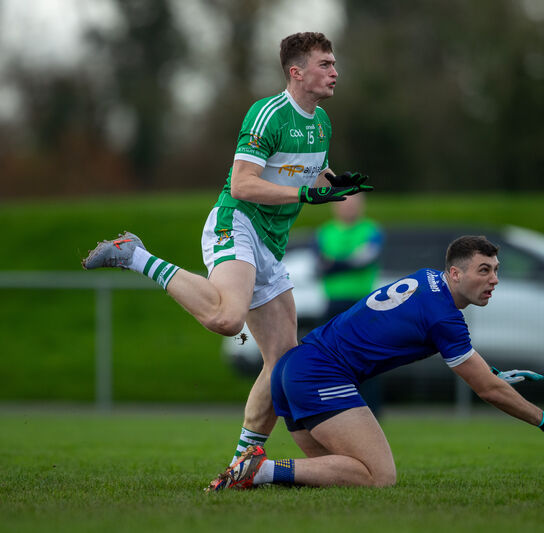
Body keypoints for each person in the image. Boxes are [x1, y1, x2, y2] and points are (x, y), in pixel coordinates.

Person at [81, 32, 372, 469]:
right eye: (325, 64)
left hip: (271, 245)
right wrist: (305, 197)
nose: (335, 72)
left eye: (333, 64)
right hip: (235, 222)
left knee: (283, 363)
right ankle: (134, 254)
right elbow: (243, 184)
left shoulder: (322, 122)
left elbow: (308, 172)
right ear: (297, 72)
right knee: (226, 318)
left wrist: (333, 182)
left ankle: (243, 463)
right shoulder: (267, 114)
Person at [206, 235, 544, 491]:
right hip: (321, 374)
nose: (493, 280)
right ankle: (259, 470)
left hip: (295, 368)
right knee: (380, 477)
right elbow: (487, 391)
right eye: (484, 270)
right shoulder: (445, 316)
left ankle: (253, 471)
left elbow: (470, 365)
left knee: (343, 476)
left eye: (496, 271)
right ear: (455, 273)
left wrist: (489, 371)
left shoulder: (428, 279)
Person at [314, 194, 384, 415]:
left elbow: (365, 259)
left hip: (363, 304)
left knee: (367, 359)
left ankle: (371, 412)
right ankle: (331, 411)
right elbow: (319, 265)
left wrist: (334, 263)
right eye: (344, 203)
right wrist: (347, 262)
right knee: (328, 358)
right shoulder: (324, 232)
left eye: (354, 203)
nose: (349, 208)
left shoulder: (371, 230)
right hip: (333, 304)